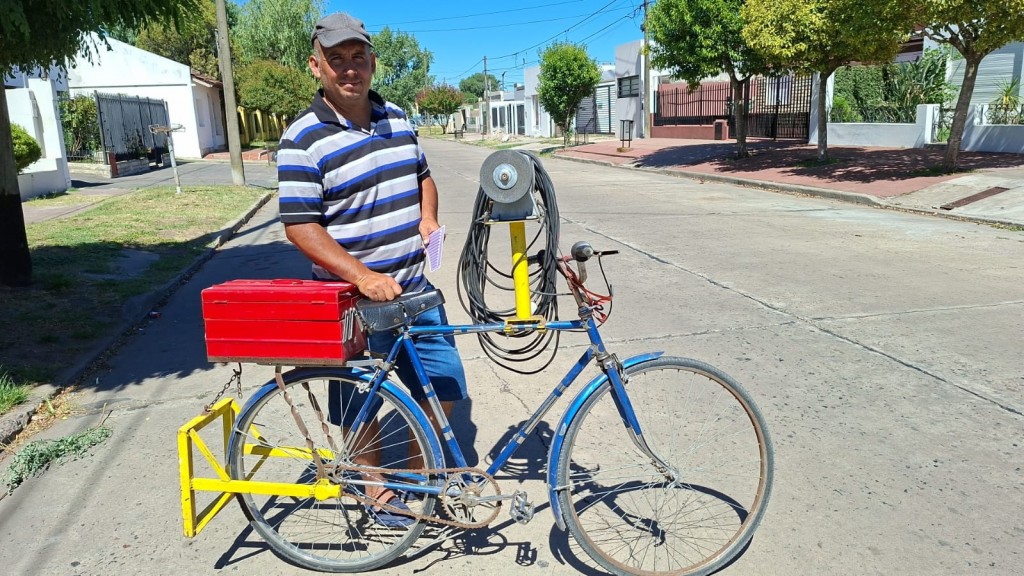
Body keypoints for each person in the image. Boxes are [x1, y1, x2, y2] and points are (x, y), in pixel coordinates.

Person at [276, 11, 467, 527]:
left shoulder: (398, 117)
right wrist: (360, 276)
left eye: (357, 57)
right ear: (316, 67)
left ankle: (411, 475)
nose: (349, 69)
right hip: (351, 302)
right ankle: (376, 491)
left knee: (447, 387)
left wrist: (428, 220)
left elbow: (423, 176)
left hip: (415, 289)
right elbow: (300, 227)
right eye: (336, 60)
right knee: (358, 405)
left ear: (372, 61)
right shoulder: (302, 139)